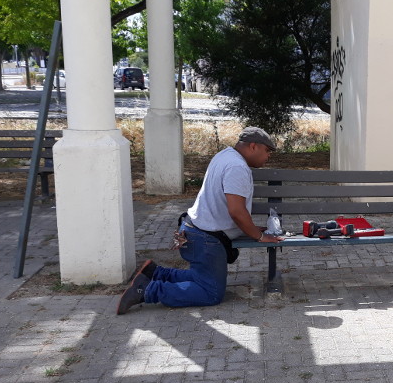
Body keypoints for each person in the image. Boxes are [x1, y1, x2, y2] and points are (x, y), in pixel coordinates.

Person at [117, 126, 284, 315]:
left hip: (195, 230)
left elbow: (225, 206)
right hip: (206, 239)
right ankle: (146, 291)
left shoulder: (224, 155)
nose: (268, 155)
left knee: (202, 277)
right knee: (210, 292)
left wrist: (251, 229)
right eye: (267, 150)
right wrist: (260, 236)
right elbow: (236, 211)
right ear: (253, 146)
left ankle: (154, 273)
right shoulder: (237, 167)